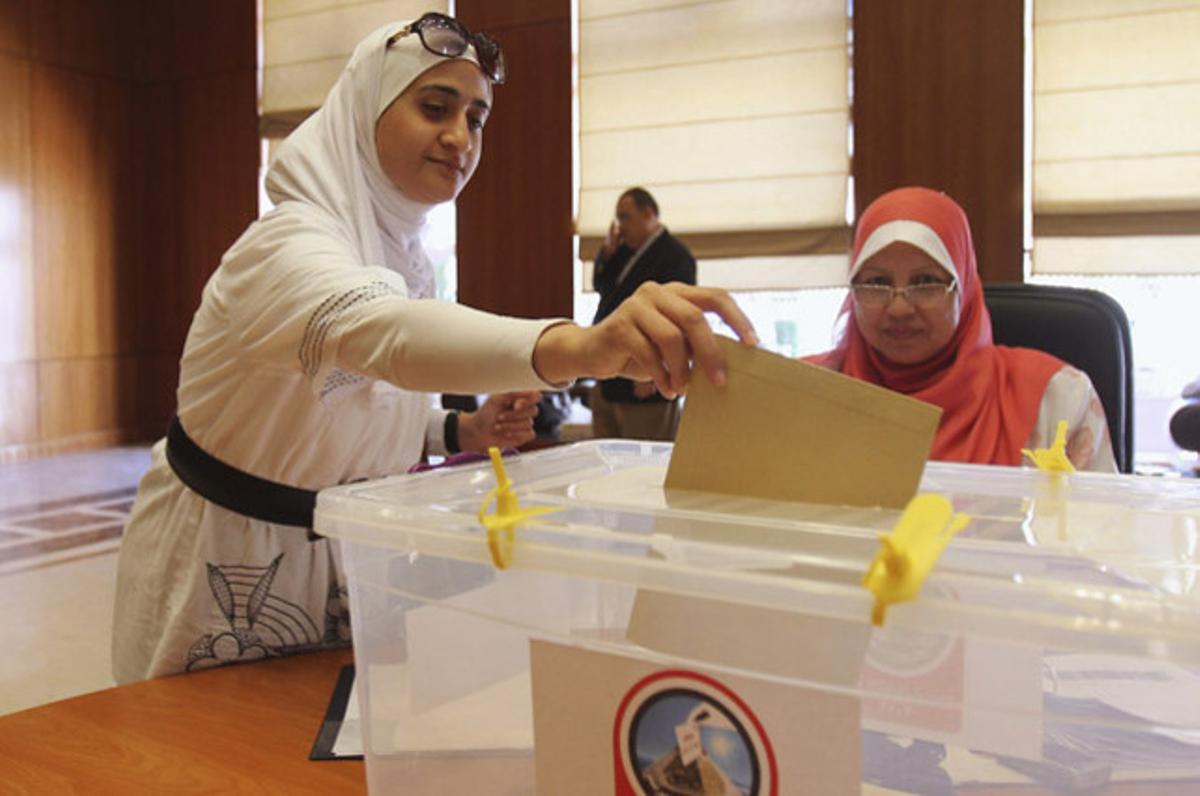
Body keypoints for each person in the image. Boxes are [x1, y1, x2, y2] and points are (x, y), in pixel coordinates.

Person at [112, 14, 756, 683]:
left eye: (476, 118)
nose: (460, 137)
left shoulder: (398, 256)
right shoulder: (287, 246)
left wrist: (461, 428)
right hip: (227, 553)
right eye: (434, 107)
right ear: (365, 109)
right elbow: (388, 336)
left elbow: (356, 403)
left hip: (336, 554)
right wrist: (582, 345)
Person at [807, 186, 1115, 471]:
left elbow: (1102, 526)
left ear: (964, 288)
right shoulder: (804, 392)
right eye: (876, 282)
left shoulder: (1058, 399)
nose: (899, 308)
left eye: (926, 281)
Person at [590, 187, 697, 441]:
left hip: (646, 383)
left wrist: (654, 369)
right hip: (610, 374)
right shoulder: (623, 252)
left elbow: (674, 319)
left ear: (648, 213)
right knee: (606, 461)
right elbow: (602, 287)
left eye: (625, 217)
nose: (620, 226)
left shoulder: (676, 256)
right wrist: (606, 254)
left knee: (641, 463)